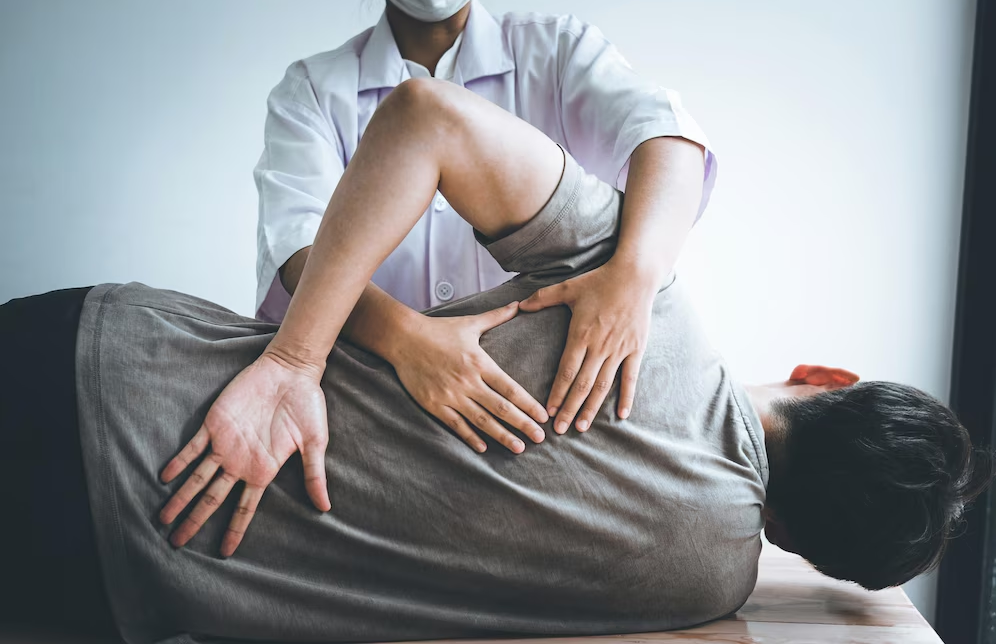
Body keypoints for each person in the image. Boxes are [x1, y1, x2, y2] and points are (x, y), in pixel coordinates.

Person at [1, 79, 991, 643]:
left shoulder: (640, 303)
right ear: (802, 544)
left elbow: (424, 115)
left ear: (826, 378)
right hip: (109, 581)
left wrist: (294, 361)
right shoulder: (704, 587)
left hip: (105, 374)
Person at [255, 0, 718, 451]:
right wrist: (405, 339)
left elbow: (666, 135)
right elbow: (298, 249)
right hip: (387, 387)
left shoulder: (556, 49)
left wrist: (634, 276)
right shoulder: (314, 90)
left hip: (553, 392)